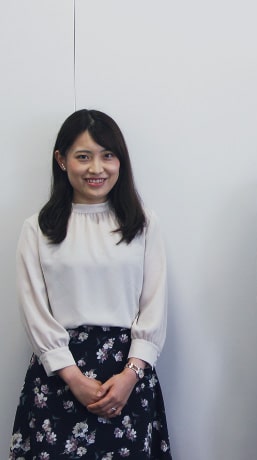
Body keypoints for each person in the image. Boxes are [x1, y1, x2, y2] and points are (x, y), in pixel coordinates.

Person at [9, 109, 171, 459]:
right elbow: (34, 311)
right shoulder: (37, 229)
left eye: (107, 156)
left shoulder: (144, 224)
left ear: (120, 162)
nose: (96, 169)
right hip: (60, 376)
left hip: (126, 375)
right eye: (83, 156)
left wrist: (131, 374)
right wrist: (74, 378)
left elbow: (153, 306)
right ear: (62, 160)